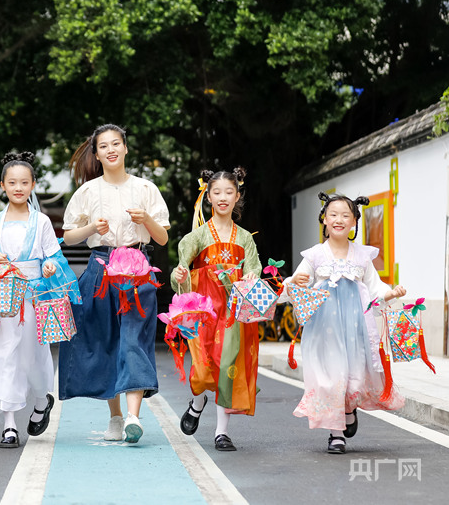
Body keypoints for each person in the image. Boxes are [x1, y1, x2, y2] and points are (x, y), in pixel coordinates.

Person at [59, 124, 170, 444]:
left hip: (137, 269)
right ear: (96, 154)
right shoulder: (88, 192)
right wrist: (92, 226)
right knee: (107, 342)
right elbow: (69, 236)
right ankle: (115, 417)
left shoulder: (146, 188)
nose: (110, 149)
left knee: (134, 340)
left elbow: (161, 238)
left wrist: (145, 220)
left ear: (125, 148)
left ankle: (134, 416)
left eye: (116, 143)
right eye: (103, 146)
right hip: (101, 268)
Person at [281, 192, 406, 454]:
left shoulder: (362, 256)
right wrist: (294, 282)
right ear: (324, 219)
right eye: (333, 214)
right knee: (330, 378)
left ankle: (349, 409)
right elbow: (295, 282)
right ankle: (335, 435)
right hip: (324, 329)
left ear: (353, 223)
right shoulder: (315, 255)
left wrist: (390, 293)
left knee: (355, 379)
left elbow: (374, 287)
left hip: (357, 328)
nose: (338, 219)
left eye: (345, 215)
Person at [0, 152, 80, 448]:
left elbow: (53, 256)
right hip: (5, 300)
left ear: (33, 185)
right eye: (12, 182)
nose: (18, 187)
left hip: (33, 298)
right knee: (3, 353)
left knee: (33, 355)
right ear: (3, 185)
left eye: (24, 182)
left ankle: (39, 400)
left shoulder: (42, 221)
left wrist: (49, 266)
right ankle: (9, 425)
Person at [171, 167, 262, 452]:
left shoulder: (245, 238)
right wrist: (182, 277)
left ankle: (221, 432)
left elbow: (254, 268)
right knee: (201, 369)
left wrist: (250, 276)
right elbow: (180, 271)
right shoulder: (196, 237)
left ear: (238, 196)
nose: (223, 197)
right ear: (208, 196)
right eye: (217, 192)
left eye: (229, 192)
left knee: (228, 367)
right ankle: (197, 403)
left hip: (233, 312)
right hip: (204, 310)